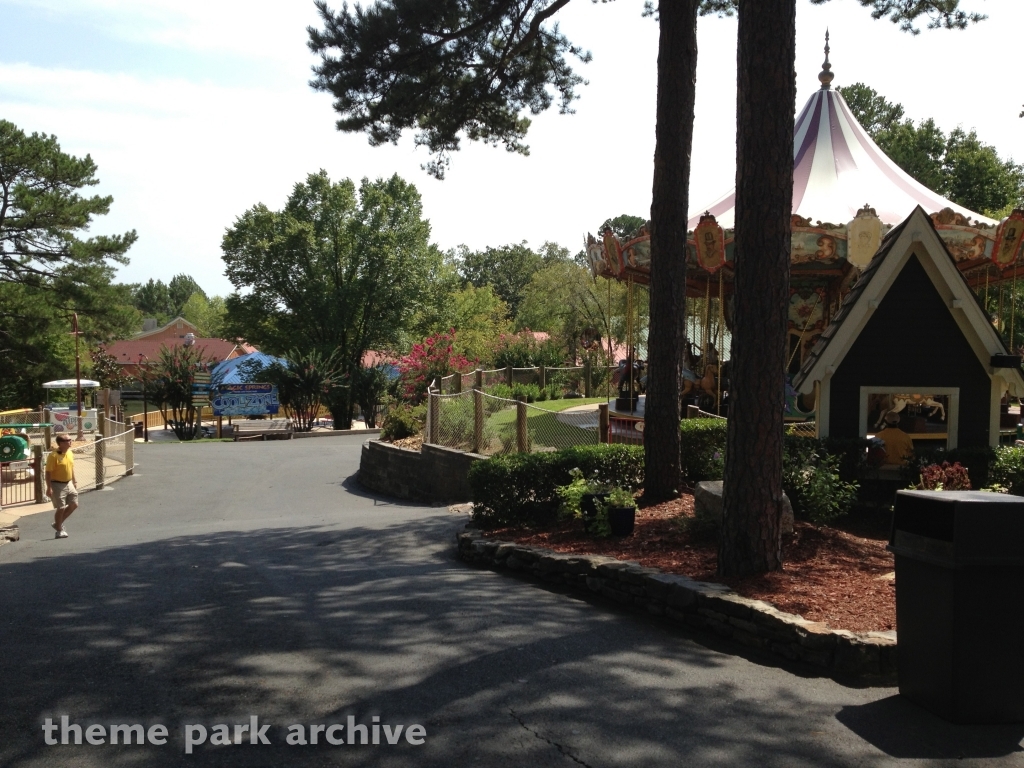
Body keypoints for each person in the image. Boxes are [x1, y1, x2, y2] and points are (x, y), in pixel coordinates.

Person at [45, 435, 78, 539]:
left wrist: (74, 480)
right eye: (68, 440)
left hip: (68, 483)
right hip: (57, 484)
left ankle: (57, 524)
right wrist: (49, 487)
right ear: (61, 443)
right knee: (61, 508)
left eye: (70, 440)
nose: (70, 441)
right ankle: (59, 530)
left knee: (74, 504)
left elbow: (71, 467)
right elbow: (48, 472)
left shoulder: (69, 452)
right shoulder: (53, 456)